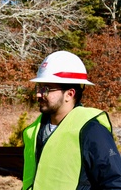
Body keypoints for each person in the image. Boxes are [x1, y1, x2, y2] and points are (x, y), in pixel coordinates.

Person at [22, 50, 121, 189]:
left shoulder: (92, 131)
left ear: (69, 94)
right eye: (38, 87)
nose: (38, 94)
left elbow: (114, 183)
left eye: (46, 88)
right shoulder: (35, 130)